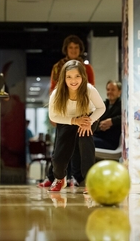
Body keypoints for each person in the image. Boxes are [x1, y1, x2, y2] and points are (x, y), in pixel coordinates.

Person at [38, 34, 96, 188]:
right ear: (66, 49)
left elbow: (92, 87)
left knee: (80, 147)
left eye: (76, 47)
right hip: (64, 111)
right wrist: (54, 111)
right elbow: (53, 88)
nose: (73, 50)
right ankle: (55, 177)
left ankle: (78, 178)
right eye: (71, 47)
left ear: (80, 50)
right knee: (60, 147)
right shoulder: (58, 67)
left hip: (83, 111)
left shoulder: (87, 68)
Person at [47, 60, 105, 192]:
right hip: (67, 120)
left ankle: (90, 181)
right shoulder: (56, 94)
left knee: (85, 143)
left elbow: (101, 108)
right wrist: (74, 121)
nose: (73, 80)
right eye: (69, 77)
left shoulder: (89, 89)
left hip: (87, 118)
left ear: (83, 77)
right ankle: (60, 179)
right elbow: (53, 116)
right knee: (58, 156)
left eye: (77, 76)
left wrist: (89, 121)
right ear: (64, 78)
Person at [92, 80, 122, 150]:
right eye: (108, 90)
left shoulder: (122, 106)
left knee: (82, 141)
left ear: (119, 92)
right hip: (99, 136)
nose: (110, 92)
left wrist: (112, 121)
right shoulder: (103, 105)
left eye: (113, 90)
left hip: (109, 141)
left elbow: (126, 117)